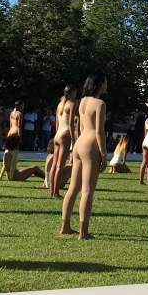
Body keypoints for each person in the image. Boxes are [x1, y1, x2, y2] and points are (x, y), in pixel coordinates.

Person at [60, 72, 107, 239]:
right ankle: (83, 232)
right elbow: (100, 132)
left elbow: (79, 127)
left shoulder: (82, 102)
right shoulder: (100, 103)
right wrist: (103, 153)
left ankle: (65, 225)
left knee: (73, 187)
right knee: (87, 190)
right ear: (100, 84)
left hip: (80, 142)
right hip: (91, 143)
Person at [49, 85, 77, 198]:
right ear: (72, 92)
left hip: (57, 134)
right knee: (60, 165)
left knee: (54, 165)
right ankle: (56, 193)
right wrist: (74, 140)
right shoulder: (72, 104)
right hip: (65, 134)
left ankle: (52, 192)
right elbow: (70, 124)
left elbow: (57, 123)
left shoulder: (60, 104)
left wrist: (55, 135)